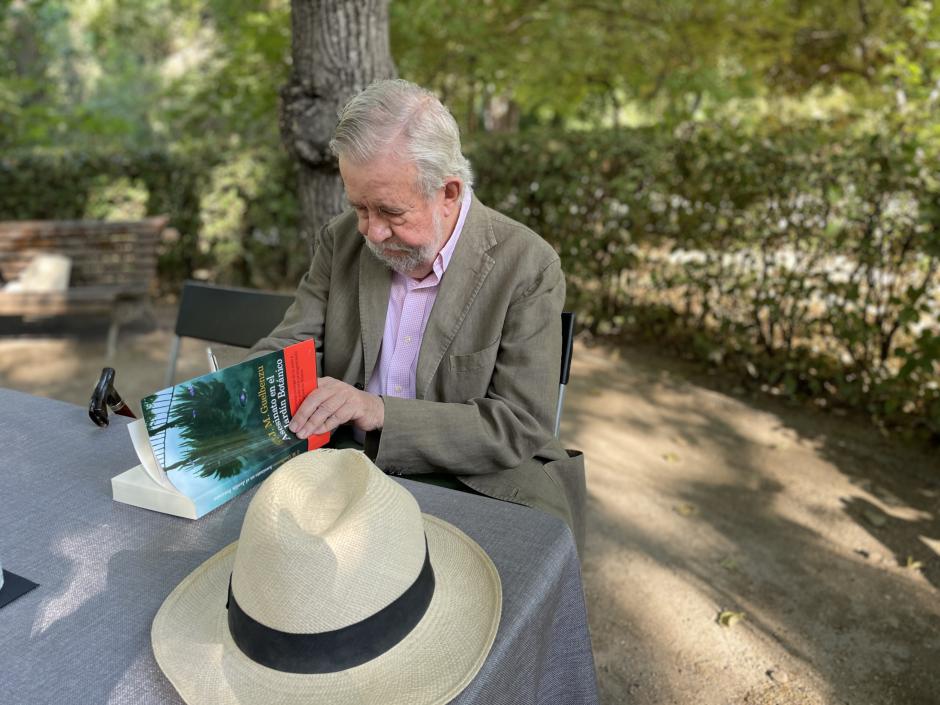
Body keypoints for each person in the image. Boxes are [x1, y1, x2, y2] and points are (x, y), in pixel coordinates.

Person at [249, 79, 585, 549]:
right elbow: (291, 345)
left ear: (448, 191)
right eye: (359, 207)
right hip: (346, 468)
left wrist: (379, 411)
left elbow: (519, 424)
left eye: (390, 211)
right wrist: (230, 397)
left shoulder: (527, 264)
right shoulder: (343, 238)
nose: (372, 231)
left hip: (476, 481)